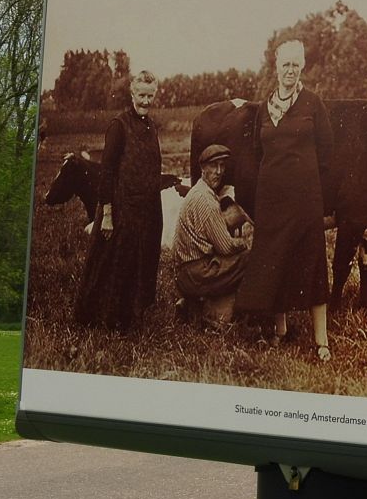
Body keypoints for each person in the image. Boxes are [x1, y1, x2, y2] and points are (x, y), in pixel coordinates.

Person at [235, 39, 334, 361]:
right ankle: (281, 330)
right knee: (275, 260)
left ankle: (322, 340)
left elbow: (326, 154)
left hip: (305, 199)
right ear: (275, 68)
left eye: (295, 64)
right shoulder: (264, 108)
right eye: (285, 65)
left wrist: (303, 180)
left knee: (312, 262)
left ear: (302, 67)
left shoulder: (313, 104)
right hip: (271, 200)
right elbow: (257, 151)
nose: (290, 71)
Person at [75, 70, 163, 331]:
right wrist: (109, 215)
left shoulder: (151, 127)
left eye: (150, 95)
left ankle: (131, 316)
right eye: (141, 95)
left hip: (146, 209)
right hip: (121, 209)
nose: (146, 101)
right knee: (115, 264)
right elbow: (108, 171)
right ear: (132, 94)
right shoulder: (119, 125)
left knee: (141, 261)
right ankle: (104, 319)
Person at [172, 144, 252, 327]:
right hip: (197, 273)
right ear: (202, 168)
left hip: (185, 271)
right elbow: (225, 247)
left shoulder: (197, 192)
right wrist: (242, 243)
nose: (218, 171)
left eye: (222, 165)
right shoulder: (207, 201)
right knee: (249, 259)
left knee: (229, 263)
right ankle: (215, 315)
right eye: (213, 166)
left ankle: (192, 305)